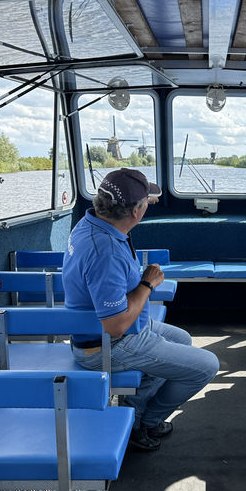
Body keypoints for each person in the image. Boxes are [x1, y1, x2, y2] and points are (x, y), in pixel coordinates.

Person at [62, 168, 219, 452]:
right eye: (145, 202)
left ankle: (134, 413)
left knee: (181, 339)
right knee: (206, 366)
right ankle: (146, 421)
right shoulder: (105, 251)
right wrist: (148, 283)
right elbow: (116, 325)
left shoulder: (91, 223)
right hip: (107, 345)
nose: (149, 205)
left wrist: (145, 199)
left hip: (111, 332)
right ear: (135, 212)